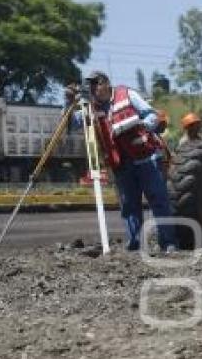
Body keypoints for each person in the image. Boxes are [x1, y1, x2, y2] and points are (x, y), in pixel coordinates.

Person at [65, 71, 177, 251]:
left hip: (146, 158)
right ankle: (134, 243)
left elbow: (152, 115)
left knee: (158, 200)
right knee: (129, 205)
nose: (94, 88)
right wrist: (69, 102)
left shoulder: (126, 95)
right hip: (122, 163)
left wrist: (141, 126)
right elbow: (71, 124)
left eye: (97, 83)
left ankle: (168, 242)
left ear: (107, 83)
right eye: (91, 85)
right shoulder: (90, 107)